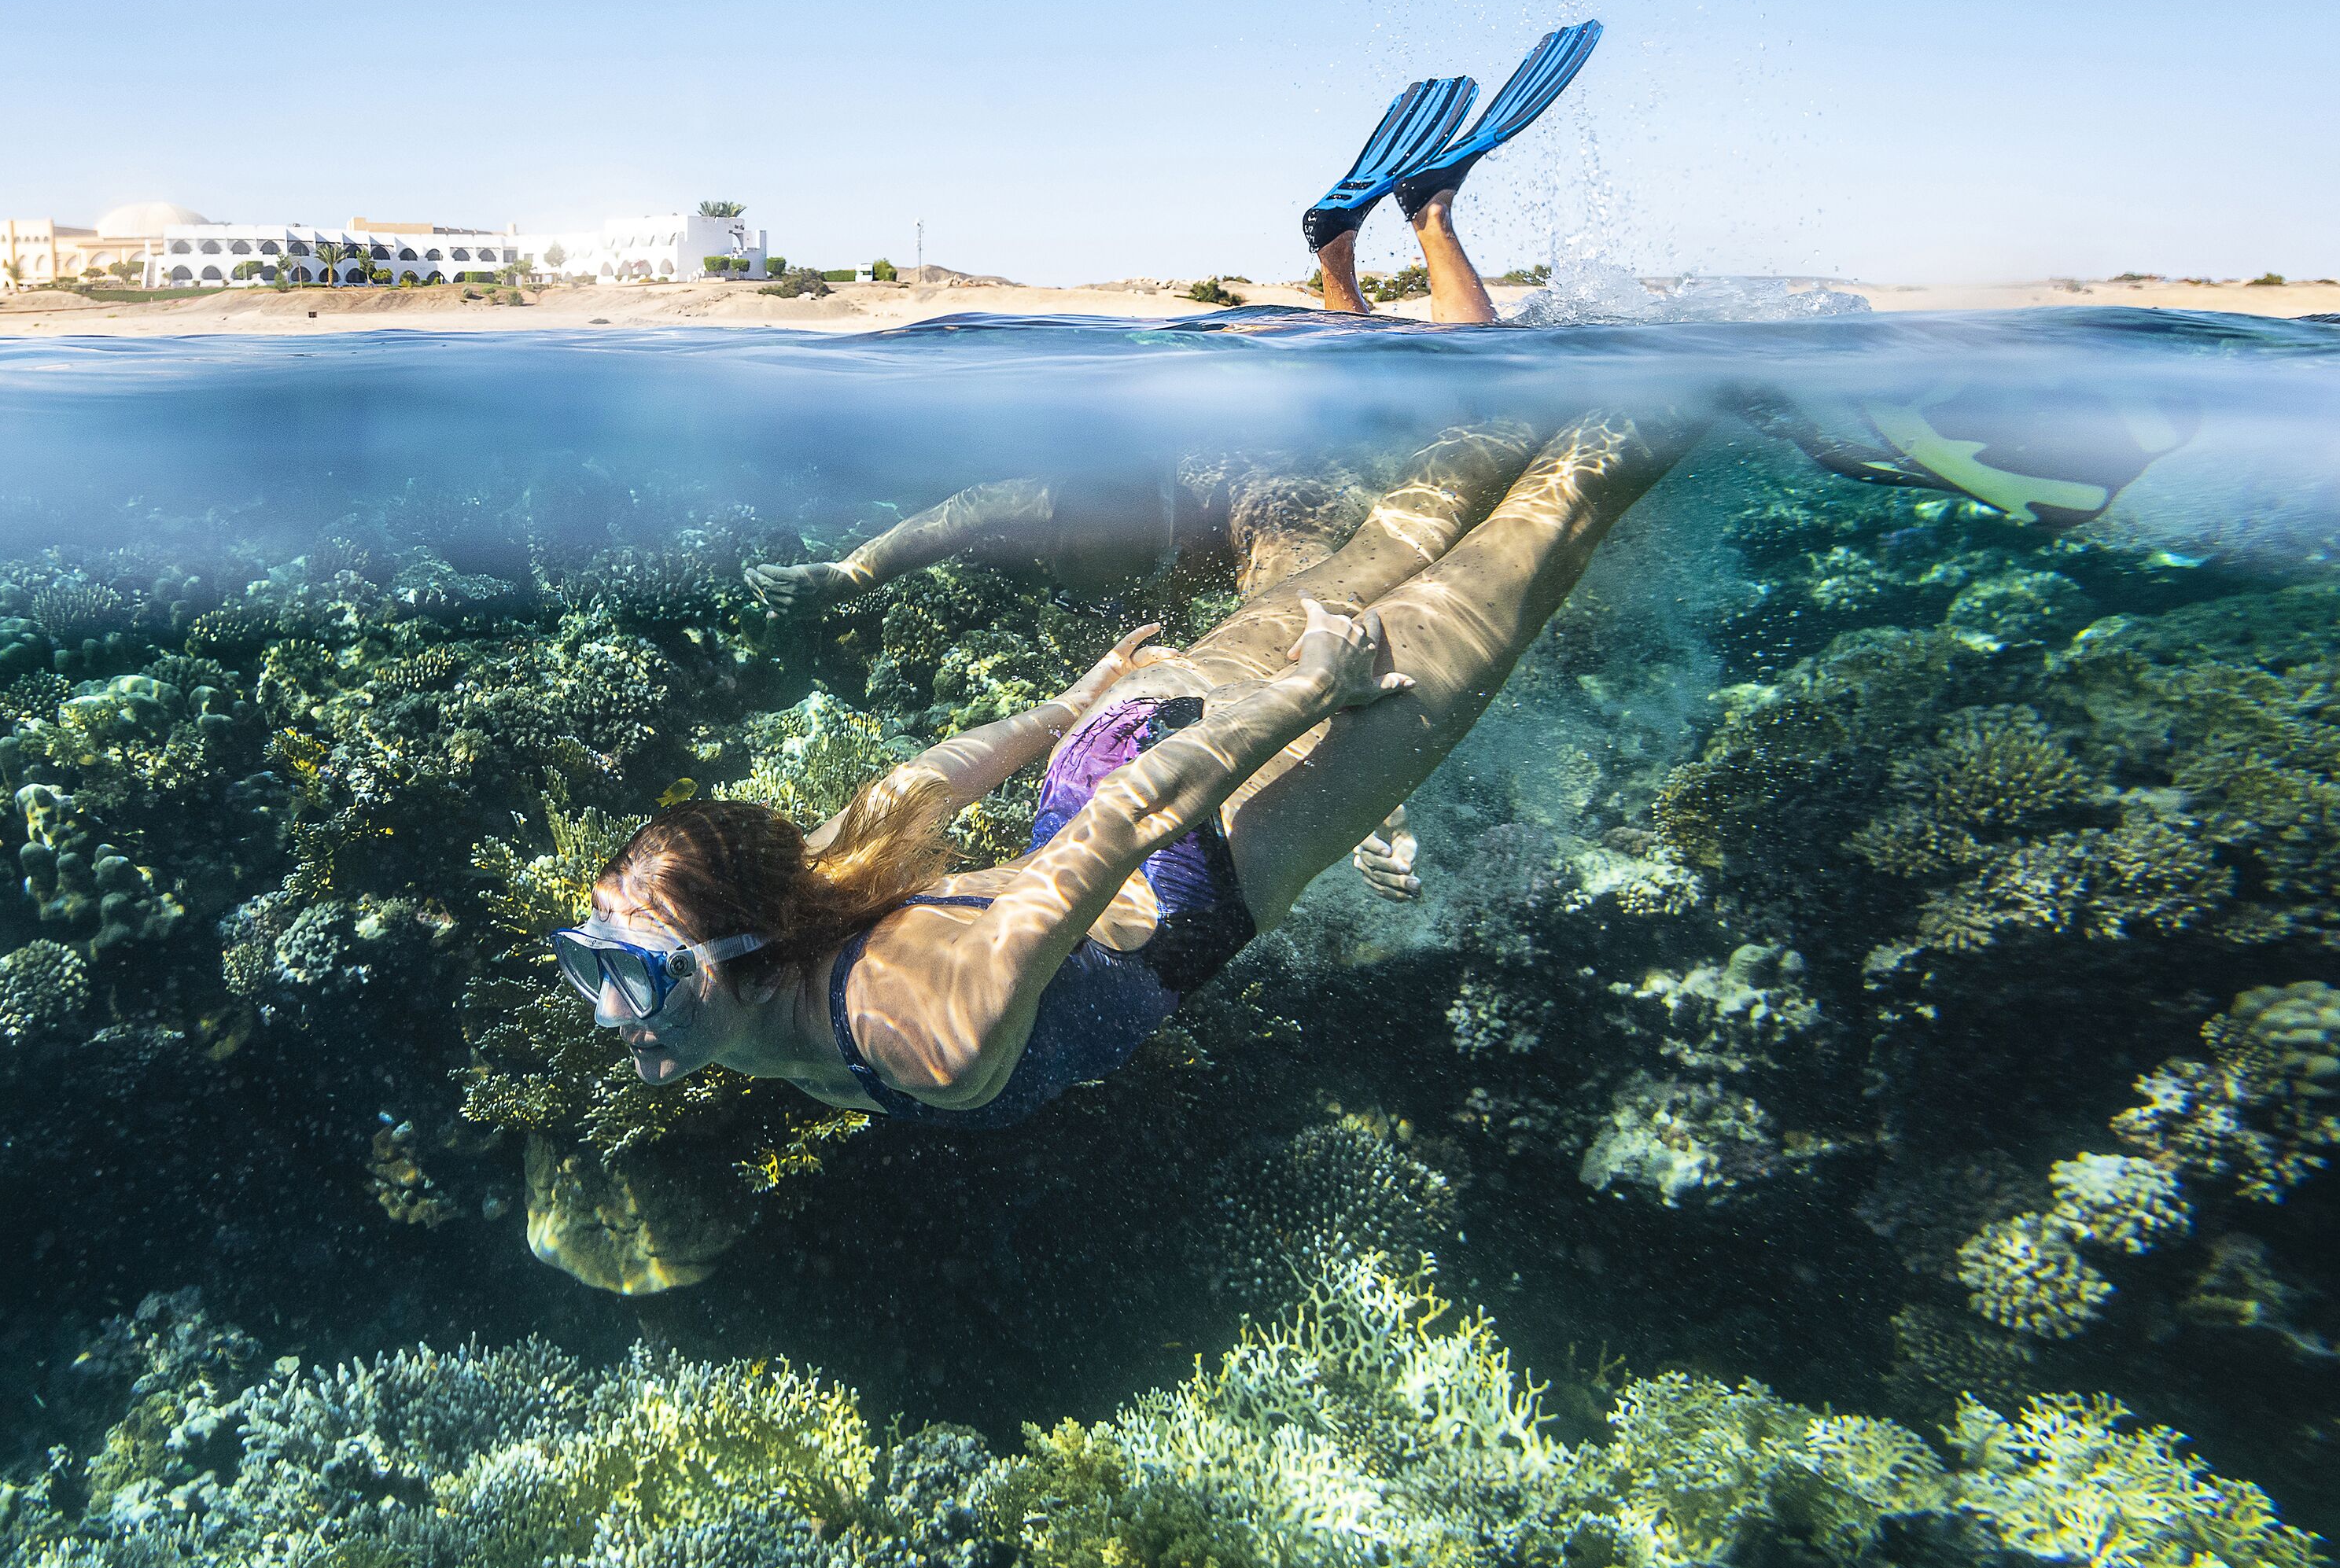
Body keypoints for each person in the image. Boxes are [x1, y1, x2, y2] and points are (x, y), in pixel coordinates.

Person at [560, 402, 1690, 1126]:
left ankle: (1718, 357)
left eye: (639, 974)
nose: (611, 1012)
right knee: (1400, 539)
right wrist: (1070, 705)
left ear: (750, 953)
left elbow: (1127, 831)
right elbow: (919, 788)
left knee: (1560, 519)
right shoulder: (796, 915)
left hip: (1198, 826)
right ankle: (1558, 368)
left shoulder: (925, 1039)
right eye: (594, 961)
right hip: (1124, 744)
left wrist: (1309, 693)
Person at [743, 25, 1605, 620]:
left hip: (1320, 419)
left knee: (1476, 390)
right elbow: (957, 516)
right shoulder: (1066, 494)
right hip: (1279, 357)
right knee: (1376, 359)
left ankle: (1429, 215)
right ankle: (1336, 253)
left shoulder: (1257, 508)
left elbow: (1305, 614)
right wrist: (848, 576)